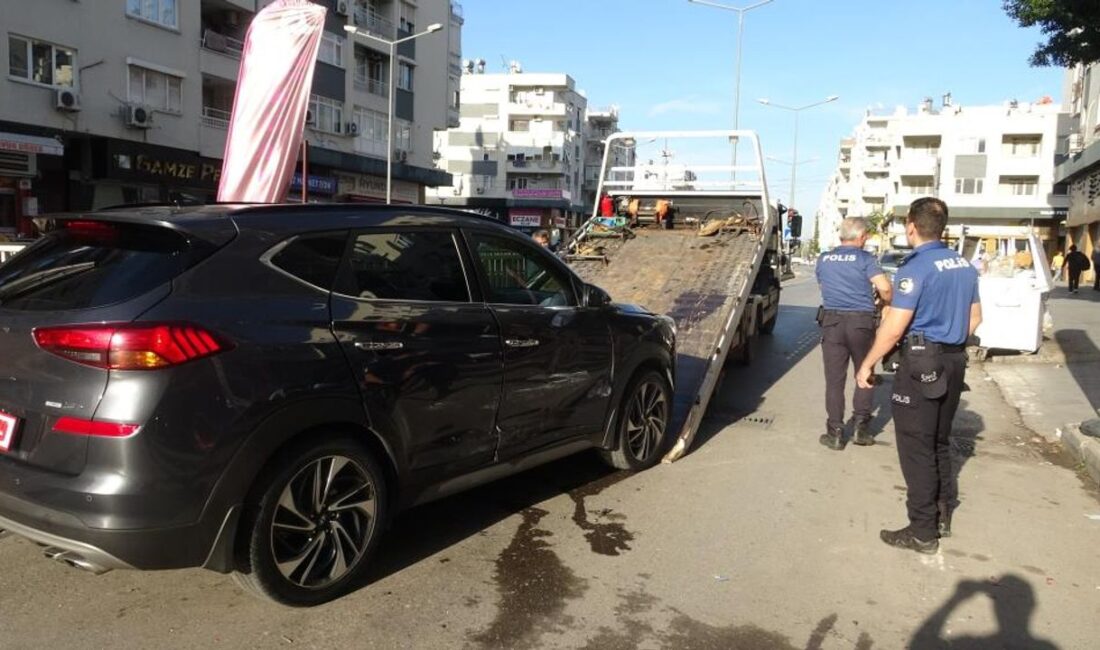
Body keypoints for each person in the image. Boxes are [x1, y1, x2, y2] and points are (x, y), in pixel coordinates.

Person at [856, 197, 981, 554]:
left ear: (911, 225)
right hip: (954, 361)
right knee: (939, 441)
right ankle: (942, 516)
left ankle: (922, 530)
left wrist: (867, 364)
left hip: (922, 362)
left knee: (916, 447)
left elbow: (894, 328)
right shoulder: (964, 266)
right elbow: (975, 319)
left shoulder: (916, 268)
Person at [815, 217, 893, 450]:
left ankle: (836, 432)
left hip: (832, 322)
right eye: (866, 237)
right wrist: (885, 301)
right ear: (861, 237)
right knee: (865, 372)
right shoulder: (865, 258)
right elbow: (885, 288)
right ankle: (861, 429)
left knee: (834, 380)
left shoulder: (824, 259)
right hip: (861, 322)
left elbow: (823, 287)